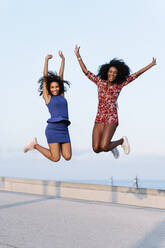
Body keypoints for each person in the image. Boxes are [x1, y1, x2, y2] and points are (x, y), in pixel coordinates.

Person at [75, 45, 156, 159]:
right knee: (96, 148)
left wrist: (150, 65)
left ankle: (121, 141)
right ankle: (112, 147)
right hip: (100, 117)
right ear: (107, 72)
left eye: (115, 72)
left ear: (118, 74)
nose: (112, 74)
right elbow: (86, 72)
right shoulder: (100, 82)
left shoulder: (119, 84)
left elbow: (136, 75)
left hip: (111, 117)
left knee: (104, 146)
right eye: (110, 71)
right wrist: (78, 56)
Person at [24, 51, 72, 162]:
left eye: (56, 87)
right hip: (53, 129)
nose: (55, 89)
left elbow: (61, 75)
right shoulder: (48, 98)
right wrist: (46, 61)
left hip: (64, 129)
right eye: (52, 87)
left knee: (68, 157)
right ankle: (35, 145)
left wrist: (63, 60)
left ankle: (40, 145)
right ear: (49, 89)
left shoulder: (62, 95)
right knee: (56, 158)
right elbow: (45, 78)